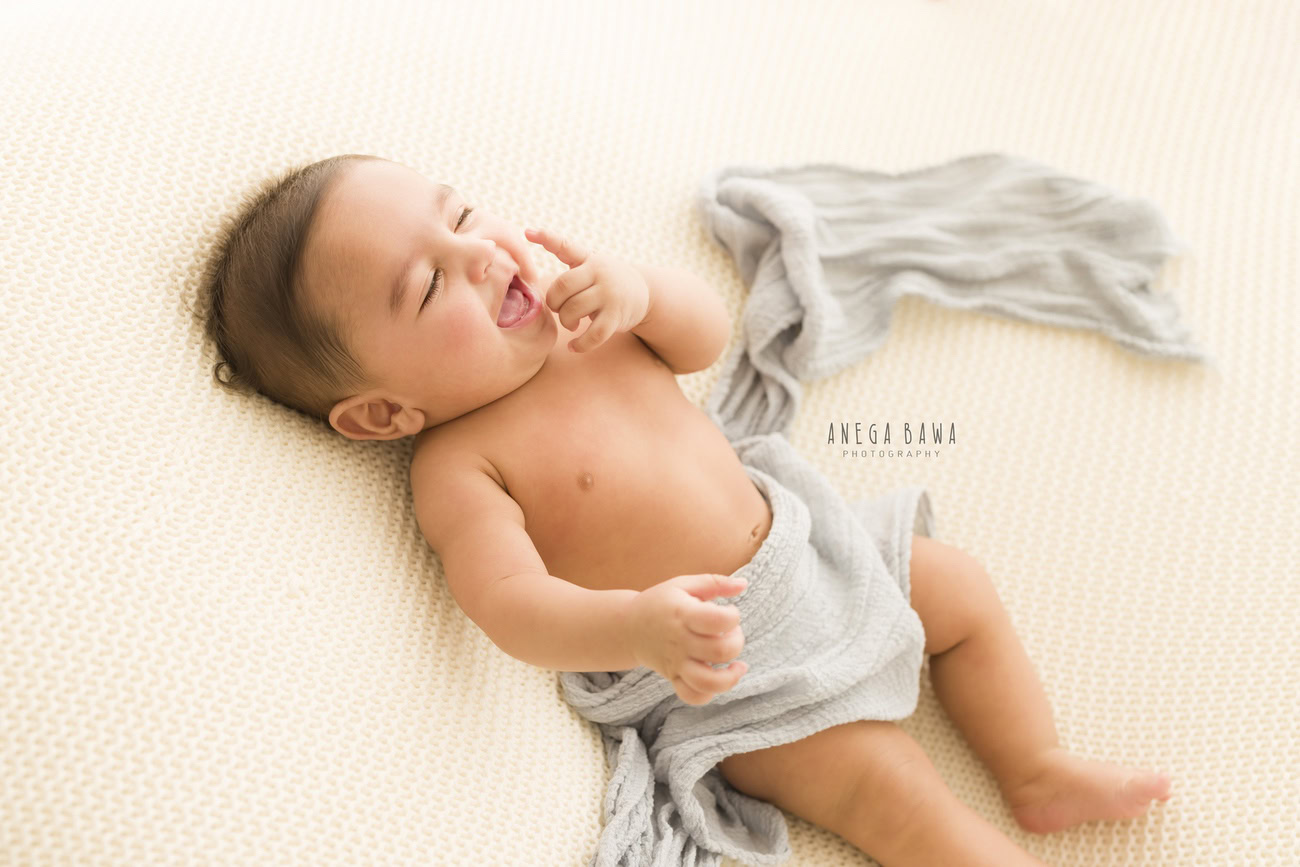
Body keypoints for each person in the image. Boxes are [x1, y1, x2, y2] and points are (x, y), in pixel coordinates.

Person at [201, 154, 1173, 865]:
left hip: (809, 550)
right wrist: (634, 622)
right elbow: (509, 605)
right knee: (890, 793)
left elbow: (702, 339)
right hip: (729, 667)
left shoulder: (590, 323)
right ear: (383, 412)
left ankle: (1034, 766)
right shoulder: (461, 462)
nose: (482, 255)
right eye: (429, 285)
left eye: (462, 216)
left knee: (959, 591)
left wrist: (643, 293)